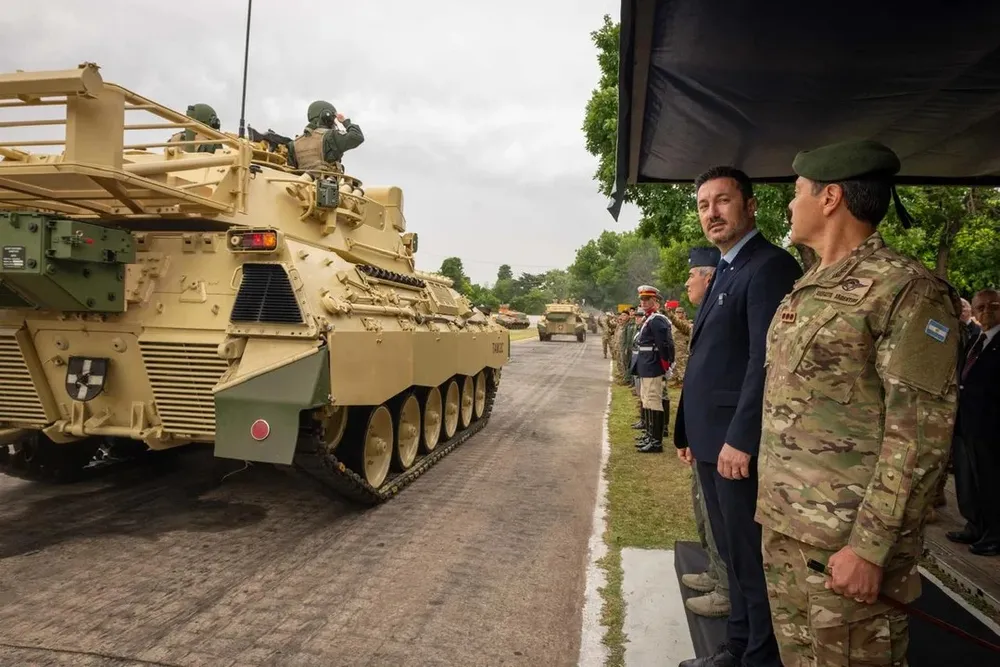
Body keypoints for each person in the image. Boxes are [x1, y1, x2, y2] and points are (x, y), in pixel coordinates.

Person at [756, 139, 962, 666]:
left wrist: (870, 548)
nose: (789, 203)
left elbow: (919, 438)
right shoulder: (811, 284)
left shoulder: (907, 290)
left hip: (845, 544)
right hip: (788, 528)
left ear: (830, 198)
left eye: (797, 191)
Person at [675, 165, 802, 667]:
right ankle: (736, 645)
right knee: (730, 551)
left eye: (723, 201)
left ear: (750, 206)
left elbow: (762, 360)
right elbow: (709, 358)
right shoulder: (726, 267)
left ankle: (759, 656)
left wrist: (741, 438)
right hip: (712, 440)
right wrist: (690, 431)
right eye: (704, 205)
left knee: (751, 560)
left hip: (736, 445)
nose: (712, 213)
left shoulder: (768, 266)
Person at [676, 245, 731, 619]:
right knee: (705, 510)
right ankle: (716, 572)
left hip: (719, 432)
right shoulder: (708, 312)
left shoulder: (722, 313)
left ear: (708, 276)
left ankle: (727, 589)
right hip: (704, 430)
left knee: (719, 516)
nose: (687, 281)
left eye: (692, 274)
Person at [946, 288, 1000, 557]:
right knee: (967, 480)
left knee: (991, 483)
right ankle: (974, 525)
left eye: (994, 306)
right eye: (981, 307)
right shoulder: (977, 340)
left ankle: (994, 534)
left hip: (990, 428)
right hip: (966, 423)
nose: (986, 312)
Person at [633, 286, 674, 453]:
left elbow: (664, 345)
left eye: (647, 299)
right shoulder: (649, 319)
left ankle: (656, 441)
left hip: (653, 366)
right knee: (647, 399)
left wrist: (666, 365)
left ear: (656, 302)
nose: (644, 302)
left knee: (653, 400)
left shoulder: (657, 320)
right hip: (646, 365)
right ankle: (650, 435)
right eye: (642, 299)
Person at [287, 100, 365, 173]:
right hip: (328, 184)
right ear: (326, 116)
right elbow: (357, 137)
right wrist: (345, 122)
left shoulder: (293, 144)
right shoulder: (331, 136)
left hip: (302, 184)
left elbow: (291, 169)